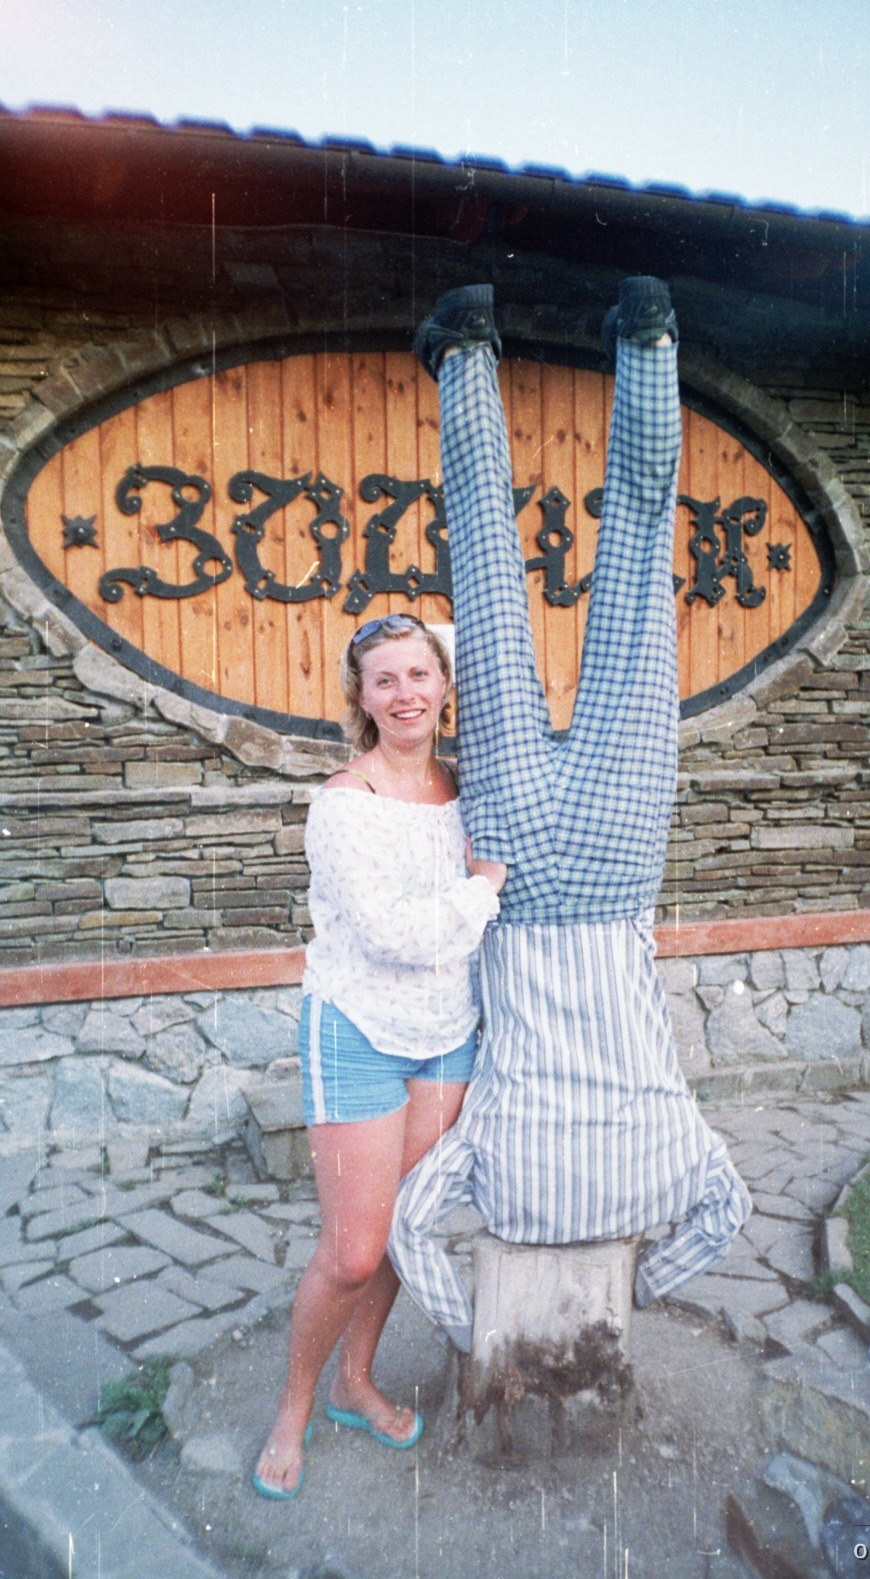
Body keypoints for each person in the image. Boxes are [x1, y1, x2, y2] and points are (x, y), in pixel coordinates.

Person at [388, 278, 751, 1350]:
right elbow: (413, 1233)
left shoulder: (679, 1152)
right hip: (515, 872)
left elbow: (725, 1218)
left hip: (617, 850)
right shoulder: (491, 1163)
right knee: (488, 570)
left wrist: (641, 1286)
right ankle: (465, 348)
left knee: (640, 557)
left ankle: (647, 339)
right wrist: (471, 1331)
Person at [253, 613, 505, 1497]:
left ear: (444, 684)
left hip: (445, 1035)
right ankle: (293, 1406)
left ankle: (355, 1384)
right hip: (357, 1027)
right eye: (384, 679)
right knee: (352, 1249)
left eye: (419, 674)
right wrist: (482, 887)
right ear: (360, 697)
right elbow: (396, 936)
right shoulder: (344, 804)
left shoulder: (474, 791)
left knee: (403, 1228)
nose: (405, 694)